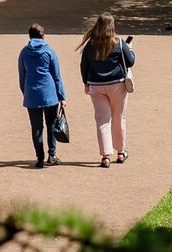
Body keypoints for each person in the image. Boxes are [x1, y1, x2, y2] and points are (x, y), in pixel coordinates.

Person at [77, 13, 136, 168]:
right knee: (119, 118)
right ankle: (121, 152)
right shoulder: (119, 42)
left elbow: (84, 65)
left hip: (96, 85)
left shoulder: (90, 44)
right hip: (117, 85)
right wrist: (130, 49)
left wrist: (86, 83)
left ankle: (105, 156)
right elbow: (130, 61)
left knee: (102, 121)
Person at [18, 24, 66, 168]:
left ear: (29, 36)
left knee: (36, 127)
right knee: (51, 124)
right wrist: (61, 96)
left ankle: (39, 157)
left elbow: (22, 76)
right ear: (43, 36)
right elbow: (56, 76)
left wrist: (25, 92)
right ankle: (52, 155)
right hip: (49, 93)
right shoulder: (50, 52)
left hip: (32, 94)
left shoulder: (24, 53)